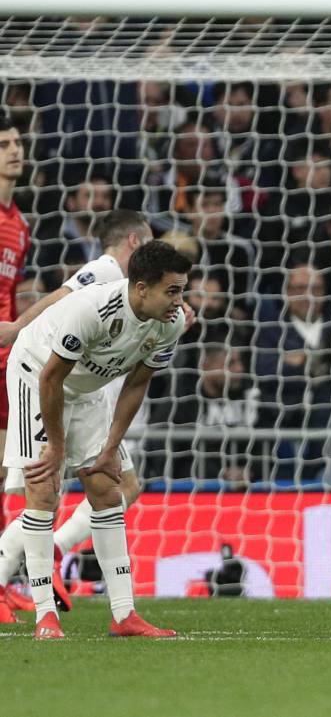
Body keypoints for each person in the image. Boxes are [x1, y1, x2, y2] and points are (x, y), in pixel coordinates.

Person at [0, 211, 198, 612]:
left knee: (123, 486)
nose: (179, 300)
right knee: (45, 489)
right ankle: (16, 573)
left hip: (92, 380)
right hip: (44, 369)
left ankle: (58, 550)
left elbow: (139, 381)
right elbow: (63, 298)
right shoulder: (105, 272)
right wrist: (18, 327)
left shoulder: (163, 309)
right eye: (173, 291)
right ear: (135, 242)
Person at [0, 113, 30, 624]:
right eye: (4, 143)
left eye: (18, 142)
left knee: (9, 473)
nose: (14, 150)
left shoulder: (19, 223)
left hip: (5, 359)